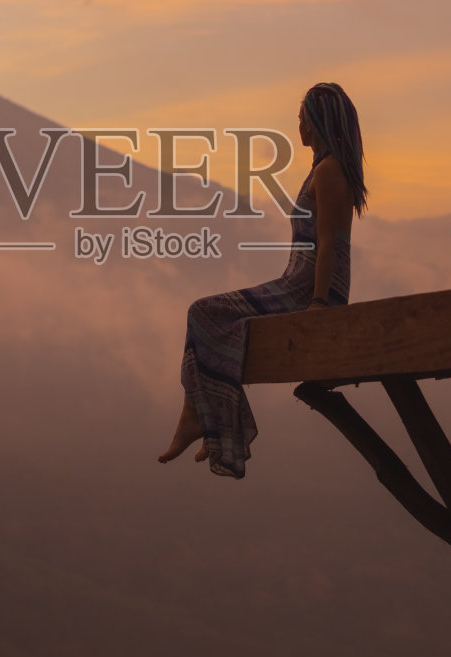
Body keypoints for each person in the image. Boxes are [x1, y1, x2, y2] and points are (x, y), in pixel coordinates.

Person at [158, 82, 368, 478]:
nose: (299, 127)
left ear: (318, 122)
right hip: (302, 283)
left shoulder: (328, 170)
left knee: (204, 312)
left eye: (303, 119)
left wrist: (319, 304)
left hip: (306, 289)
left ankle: (200, 418)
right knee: (212, 316)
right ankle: (201, 416)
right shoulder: (324, 168)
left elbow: (328, 244)